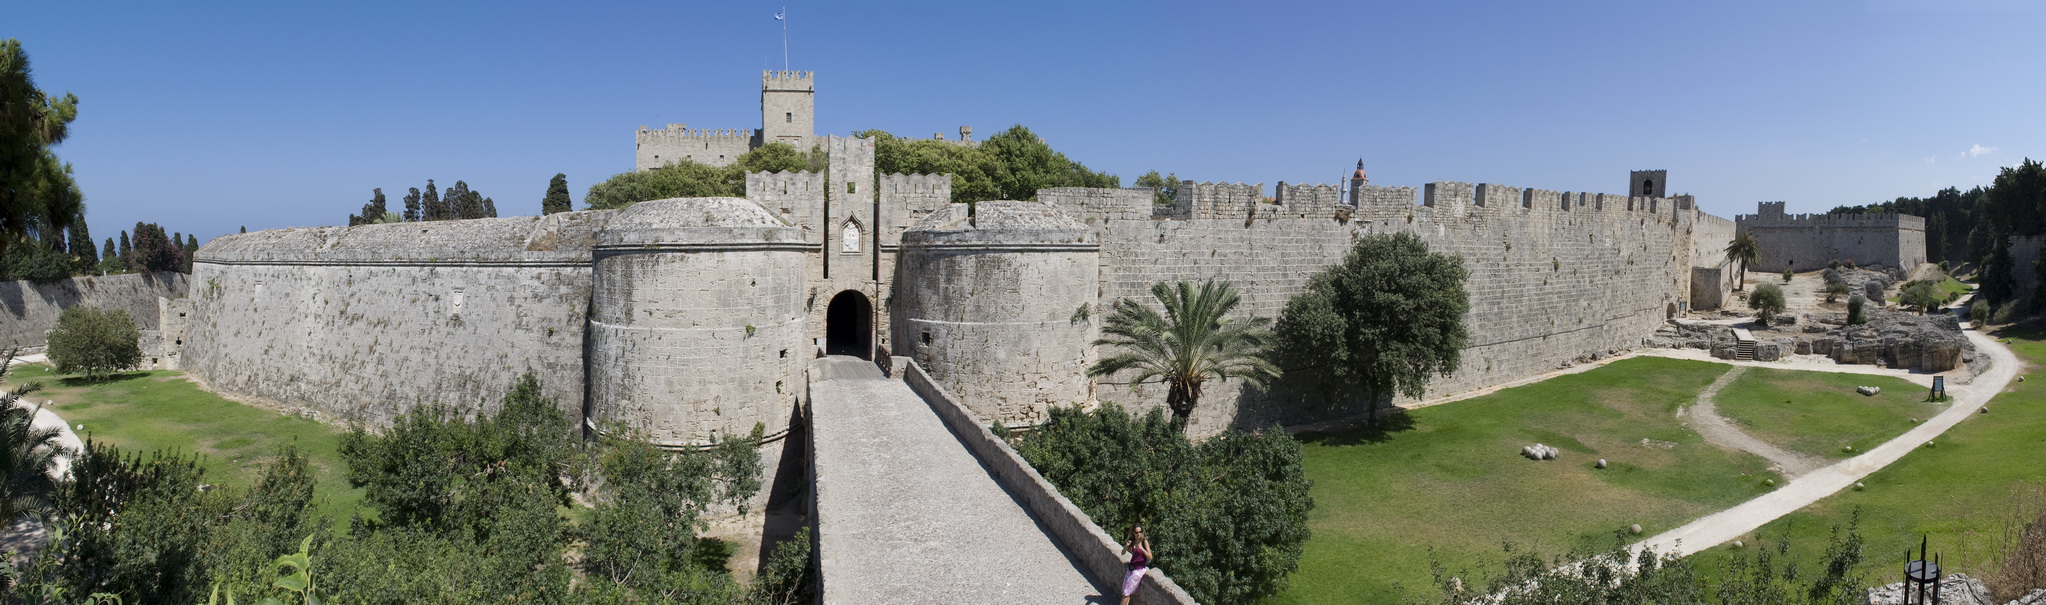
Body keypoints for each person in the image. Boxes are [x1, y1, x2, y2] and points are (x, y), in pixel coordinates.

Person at [1120, 524, 1152, 604]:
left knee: (1126, 592)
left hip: (1139, 570)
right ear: (1133, 533)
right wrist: (1126, 546)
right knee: (1126, 592)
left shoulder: (1144, 542)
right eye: (1136, 532)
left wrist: (1142, 549)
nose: (1138, 534)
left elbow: (1150, 557)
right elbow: (1122, 553)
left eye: (1140, 532)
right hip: (1131, 568)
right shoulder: (1132, 541)